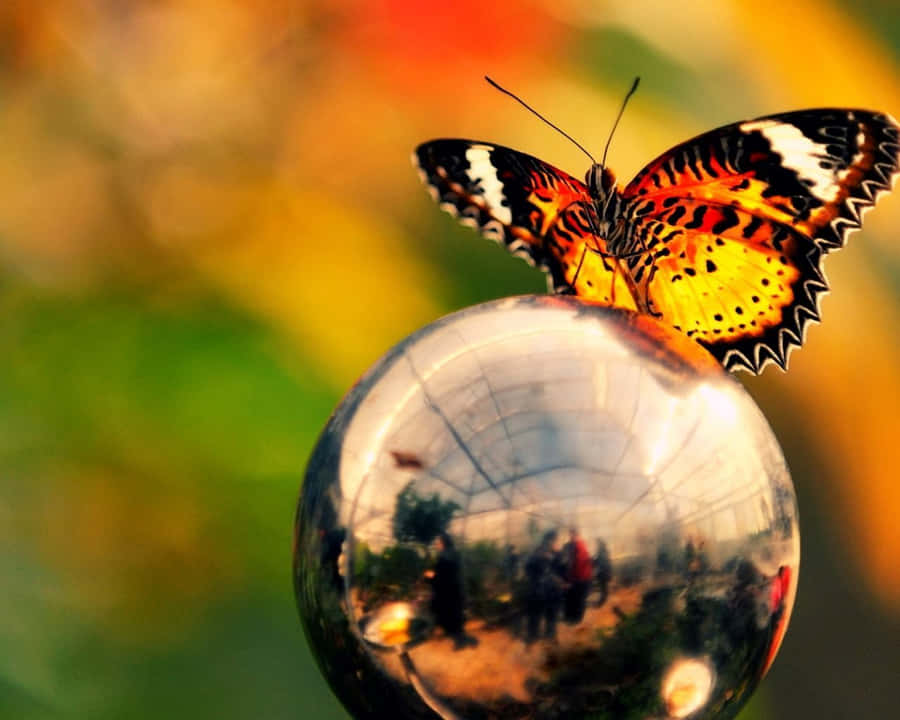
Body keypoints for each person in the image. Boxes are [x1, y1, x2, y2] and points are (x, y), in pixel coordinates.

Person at [426, 533, 477, 650]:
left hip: (447, 592)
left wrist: (430, 576)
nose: (436, 545)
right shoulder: (455, 553)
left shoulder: (443, 556)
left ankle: (457, 640)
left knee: (444, 614)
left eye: (438, 543)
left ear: (443, 543)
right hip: (457, 589)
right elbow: (454, 572)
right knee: (455, 615)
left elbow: (441, 576)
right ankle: (458, 638)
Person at [524, 530, 565, 644]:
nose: (558, 543)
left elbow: (528, 569)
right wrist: (558, 580)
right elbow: (547, 572)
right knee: (545, 615)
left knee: (539, 616)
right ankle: (541, 638)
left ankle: (538, 637)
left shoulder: (543, 552)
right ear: (551, 541)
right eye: (557, 541)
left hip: (539, 590)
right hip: (543, 591)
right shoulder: (542, 554)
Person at [562, 527, 593, 623]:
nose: (571, 537)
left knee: (580, 599)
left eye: (573, 535)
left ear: (577, 535)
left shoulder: (580, 545)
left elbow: (579, 563)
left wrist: (571, 577)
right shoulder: (571, 545)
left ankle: (577, 619)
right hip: (576, 578)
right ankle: (572, 617)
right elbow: (570, 562)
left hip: (582, 578)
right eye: (570, 535)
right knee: (574, 599)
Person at [594, 538, 612, 607]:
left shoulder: (601, 552)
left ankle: (602, 602)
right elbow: (599, 561)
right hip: (605, 573)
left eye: (597, 543)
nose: (596, 545)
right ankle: (603, 600)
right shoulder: (604, 551)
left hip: (603, 573)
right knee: (604, 588)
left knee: (603, 588)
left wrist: (593, 562)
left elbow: (600, 562)